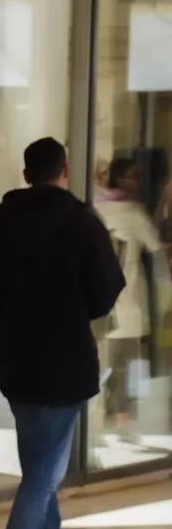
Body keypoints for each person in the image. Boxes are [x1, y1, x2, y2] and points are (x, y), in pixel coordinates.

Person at [0, 136, 124, 529]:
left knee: (38, 459)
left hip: (15, 356)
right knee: (45, 469)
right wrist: (72, 307)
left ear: (25, 173)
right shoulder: (81, 222)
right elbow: (107, 290)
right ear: (64, 171)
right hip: (66, 358)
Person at [94, 154, 169, 433]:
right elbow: (155, 246)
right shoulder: (132, 212)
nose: (138, 182)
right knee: (125, 363)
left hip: (100, 301)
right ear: (121, 179)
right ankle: (121, 419)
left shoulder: (95, 208)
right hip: (128, 300)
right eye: (133, 176)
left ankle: (106, 417)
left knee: (108, 362)